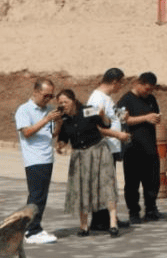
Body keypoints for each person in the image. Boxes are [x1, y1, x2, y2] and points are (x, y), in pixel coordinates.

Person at [55, 88, 122, 236]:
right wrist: (60, 145)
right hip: (79, 155)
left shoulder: (87, 111)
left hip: (98, 151)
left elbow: (105, 125)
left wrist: (104, 118)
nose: (63, 105)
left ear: (73, 101)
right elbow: (63, 138)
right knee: (82, 188)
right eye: (60, 103)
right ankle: (84, 226)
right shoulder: (64, 119)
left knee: (106, 185)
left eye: (65, 102)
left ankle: (113, 224)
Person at [15, 79, 59, 243]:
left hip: (47, 156)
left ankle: (33, 228)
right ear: (35, 92)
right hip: (34, 158)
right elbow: (27, 132)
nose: (48, 99)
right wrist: (46, 120)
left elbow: (53, 134)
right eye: (46, 95)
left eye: (51, 96)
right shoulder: (24, 110)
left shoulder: (48, 110)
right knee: (36, 196)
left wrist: (58, 120)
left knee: (41, 196)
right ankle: (31, 231)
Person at [117, 72, 164, 223]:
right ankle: (134, 212)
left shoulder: (151, 99)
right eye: (146, 89)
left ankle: (151, 209)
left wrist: (156, 118)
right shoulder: (125, 99)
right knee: (132, 183)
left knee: (152, 180)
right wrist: (145, 118)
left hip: (150, 146)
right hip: (132, 147)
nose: (148, 92)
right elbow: (122, 120)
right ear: (138, 84)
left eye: (151, 90)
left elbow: (154, 114)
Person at [87, 67, 126, 231]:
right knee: (103, 184)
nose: (120, 88)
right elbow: (93, 125)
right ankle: (100, 220)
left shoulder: (106, 98)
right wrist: (116, 135)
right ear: (115, 82)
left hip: (110, 147)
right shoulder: (96, 99)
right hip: (103, 147)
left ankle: (108, 217)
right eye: (121, 84)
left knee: (107, 183)